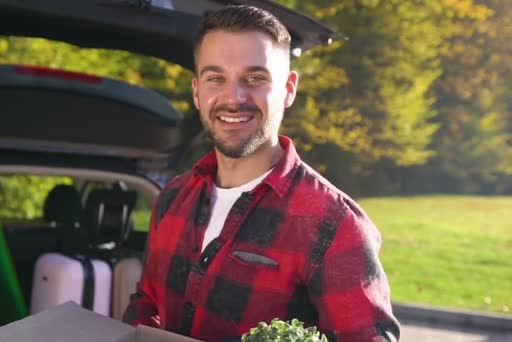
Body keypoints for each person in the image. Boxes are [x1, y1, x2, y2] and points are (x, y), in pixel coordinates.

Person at [123, 4, 400, 342]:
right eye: (216, 78)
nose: (234, 98)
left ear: (288, 89)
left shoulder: (335, 225)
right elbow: (148, 303)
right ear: (197, 91)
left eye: (255, 78)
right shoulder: (172, 198)